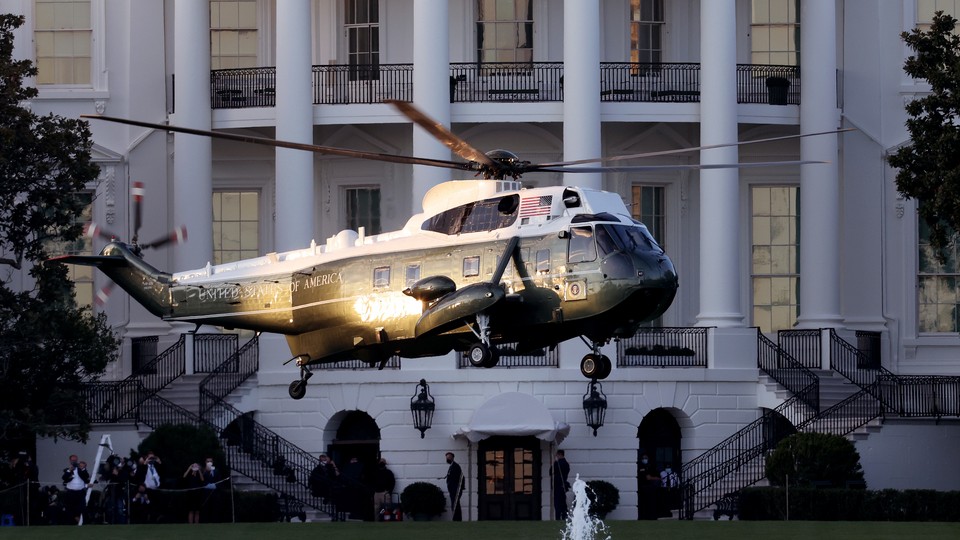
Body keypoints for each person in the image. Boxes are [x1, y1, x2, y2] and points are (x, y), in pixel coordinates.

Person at [61, 454, 90, 525]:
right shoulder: (67, 470)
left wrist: (82, 468)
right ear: (70, 461)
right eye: (73, 460)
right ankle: (71, 523)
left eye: (75, 460)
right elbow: (64, 478)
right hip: (71, 492)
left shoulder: (81, 469)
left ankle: (85, 523)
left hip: (80, 492)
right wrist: (69, 470)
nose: (74, 462)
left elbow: (86, 476)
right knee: (70, 509)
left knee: (83, 507)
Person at [637, 453, 660, 520]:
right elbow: (648, 478)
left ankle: (651, 516)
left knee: (651, 503)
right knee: (645, 503)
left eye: (646, 458)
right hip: (644, 487)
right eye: (643, 458)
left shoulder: (649, 466)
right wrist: (657, 478)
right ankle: (645, 517)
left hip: (651, 488)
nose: (645, 459)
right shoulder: (641, 467)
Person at [444, 452, 465, 521]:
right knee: (455, 504)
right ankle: (456, 519)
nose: (447, 458)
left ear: (452, 457)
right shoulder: (452, 466)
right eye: (447, 457)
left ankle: (457, 519)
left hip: (455, 489)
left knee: (455, 504)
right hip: (453, 489)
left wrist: (460, 488)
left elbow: (461, 477)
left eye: (449, 457)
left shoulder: (455, 466)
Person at [552, 449, 571, 520]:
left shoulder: (558, 464)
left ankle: (558, 517)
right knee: (563, 503)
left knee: (557, 503)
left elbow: (551, 471)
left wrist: (554, 463)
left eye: (557, 455)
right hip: (563, 485)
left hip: (558, 485)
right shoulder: (566, 464)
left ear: (559, 455)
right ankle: (564, 516)